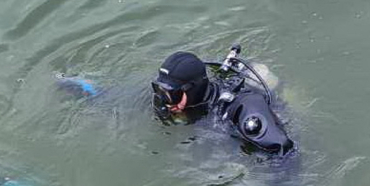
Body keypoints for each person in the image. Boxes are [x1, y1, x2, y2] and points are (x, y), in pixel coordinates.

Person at [60, 44, 295, 157]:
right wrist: (80, 87)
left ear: (191, 90)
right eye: (159, 90)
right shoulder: (167, 101)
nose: (163, 100)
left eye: (170, 93)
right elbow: (113, 99)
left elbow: (284, 152)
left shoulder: (243, 107)